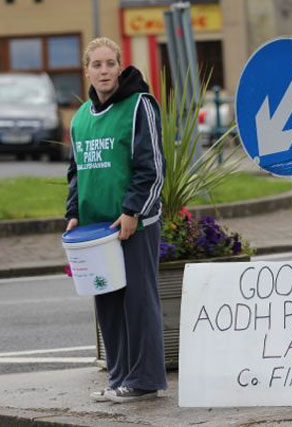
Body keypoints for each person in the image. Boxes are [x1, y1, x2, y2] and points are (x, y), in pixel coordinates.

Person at [65, 37, 167, 403]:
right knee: (107, 303)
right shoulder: (80, 120)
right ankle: (119, 377)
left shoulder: (140, 106)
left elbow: (152, 166)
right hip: (96, 231)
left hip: (133, 223)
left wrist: (133, 211)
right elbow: (76, 171)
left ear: (120, 67)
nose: (104, 71)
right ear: (87, 70)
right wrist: (73, 213)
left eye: (110, 64)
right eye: (97, 64)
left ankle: (143, 381)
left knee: (138, 301)